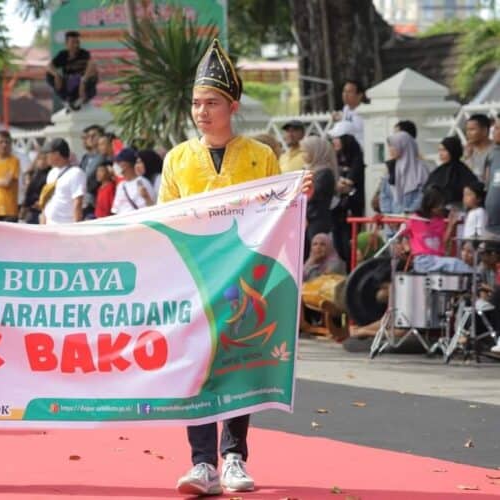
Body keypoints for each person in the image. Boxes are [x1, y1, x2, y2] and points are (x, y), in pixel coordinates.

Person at [159, 39, 312, 496]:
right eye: (196, 104)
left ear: (233, 106)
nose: (201, 112)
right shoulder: (178, 159)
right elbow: (164, 221)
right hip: (195, 280)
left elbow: (277, 211)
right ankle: (201, 462)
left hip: (245, 280)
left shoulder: (259, 156)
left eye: (211, 103)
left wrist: (298, 191)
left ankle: (233, 457)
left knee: (240, 363)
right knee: (198, 369)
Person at [402, 186, 474, 274]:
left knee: (455, 267)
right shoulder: (415, 219)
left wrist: (451, 225)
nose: (442, 208)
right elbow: (402, 234)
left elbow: (443, 242)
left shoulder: (439, 220)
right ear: (430, 205)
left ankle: (476, 279)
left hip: (437, 259)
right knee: (455, 263)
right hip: (423, 260)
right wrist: (406, 246)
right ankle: (477, 277)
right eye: (440, 205)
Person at [329, 121, 365, 267]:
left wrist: (342, 185)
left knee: (349, 244)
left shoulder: (357, 158)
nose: (334, 142)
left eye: (337, 138)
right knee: (338, 244)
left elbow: (347, 184)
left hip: (351, 209)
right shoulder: (335, 158)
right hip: (337, 210)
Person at [300, 135, 337, 256]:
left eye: (305, 151)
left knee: (315, 253)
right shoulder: (309, 171)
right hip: (307, 218)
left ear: (315, 152)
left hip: (317, 220)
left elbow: (312, 194)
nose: (302, 155)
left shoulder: (325, 174)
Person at [46, 31, 98, 110]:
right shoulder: (62, 55)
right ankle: (67, 100)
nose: (76, 45)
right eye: (73, 42)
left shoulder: (84, 53)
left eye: (77, 42)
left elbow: (92, 66)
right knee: (49, 75)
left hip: (83, 84)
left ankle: (81, 100)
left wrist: (83, 80)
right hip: (69, 83)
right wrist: (56, 74)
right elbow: (49, 66)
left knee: (93, 75)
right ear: (66, 44)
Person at [379, 131, 429, 214]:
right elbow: (384, 194)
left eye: (393, 146)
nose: (390, 149)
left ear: (404, 146)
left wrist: (409, 212)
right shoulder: (391, 167)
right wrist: (387, 214)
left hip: (413, 219)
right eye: (390, 146)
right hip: (393, 220)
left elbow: (424, 194)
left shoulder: (421, 169)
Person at [40, 138, 86, 225]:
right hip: (50, 224)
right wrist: (43, 223)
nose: (46, 157)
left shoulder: (76, 173)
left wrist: (77, 227)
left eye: (48, 153)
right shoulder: (51, 173)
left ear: (57, 154)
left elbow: (77, 202)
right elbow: (47, 199)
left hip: (66, 225)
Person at [424, 136, 478, 208]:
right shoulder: (438, 171)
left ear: (453, 150)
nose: (440, 153)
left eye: (444, 150)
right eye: (439, 150)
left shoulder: (463, 172)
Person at [111, 148, 155, 214]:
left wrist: (146, 197)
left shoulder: (142, 182)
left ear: (125, 165)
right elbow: (115, 210)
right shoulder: (121, 185)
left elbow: (152, 208)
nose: (115, 166)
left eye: (118, 162)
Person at [79, 124, 105, 219]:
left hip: (95, 201)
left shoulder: (104, 157)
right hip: (84, 201)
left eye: (94, 136)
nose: (90, 139)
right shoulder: (85, 158)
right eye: (88, 136)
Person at [332, 79, 366, 147]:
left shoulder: (364, 111)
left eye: (349, 92)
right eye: (344, 91)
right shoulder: (346, 108)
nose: (345, 95)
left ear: (360, 95)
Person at [20, 153, 51, 224]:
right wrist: (24, 207)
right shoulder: (34, 174)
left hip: (43, 210)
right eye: (40, 159)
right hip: (32, 210)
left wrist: (41, 203)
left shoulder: (50, 175)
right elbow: (29, 192)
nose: (42, 162)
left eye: (45, 159)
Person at [463, 114, 493, 182]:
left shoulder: (495, 151)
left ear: (484, 131)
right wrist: (468, 157)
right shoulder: (468, 150)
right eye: (467, 130)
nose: (468, 133)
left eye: (472, 129)